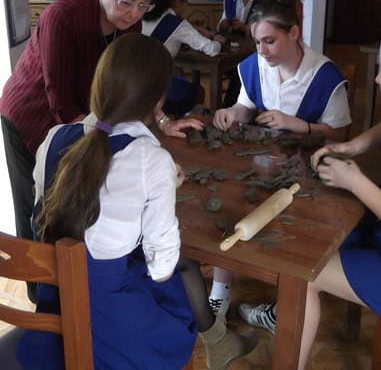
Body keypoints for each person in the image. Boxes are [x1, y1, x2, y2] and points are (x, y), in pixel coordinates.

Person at [18, 34, 257, 370]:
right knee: (178, 278)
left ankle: (220, 343)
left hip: (56, 303)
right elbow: (160, 269)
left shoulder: (54, 137)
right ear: (158, 99)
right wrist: (161, 192)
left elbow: (56, 211)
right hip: (110, 326)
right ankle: (217, 343)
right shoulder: (150, 159)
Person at [249, 14, 381, 368]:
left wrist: (356, 182)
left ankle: (288, 330)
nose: (377, 79)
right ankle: (287, 311)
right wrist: (350, 148)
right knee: (319, 227)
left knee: (304, 272)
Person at [0, 0, 202, 279]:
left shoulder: (130, 22)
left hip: (85, 119)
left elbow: (131, 87)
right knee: (43, 208)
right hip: (33, 116)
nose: (135, 13)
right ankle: (44, 291)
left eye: (145, 5)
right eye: (126, 1)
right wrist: (121, 151)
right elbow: (60, 103)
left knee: (86, 203)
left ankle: (82, 283)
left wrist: (162, 120)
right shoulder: (63, 18)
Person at [210, 0, 352, 319]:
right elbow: (245, 107)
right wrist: (232, 113)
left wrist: (298, 124)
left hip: (306, 169)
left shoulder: (325, 76)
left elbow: (340, 133)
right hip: (258, 159)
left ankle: (284, 301)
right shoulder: (254, 65)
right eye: (257, 42)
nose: (262, 50)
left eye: (270, 41)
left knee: (290, 223)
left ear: (294, 33)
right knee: (224, 200)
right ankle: (220, 288)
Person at [142, 0, 226, 116]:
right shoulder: (178, 24)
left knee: (177, 75)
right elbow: (211, 50)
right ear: (178, 2)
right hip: (152, 89)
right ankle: (191, 124)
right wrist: (219, 41)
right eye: (186, 2)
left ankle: (178, 116)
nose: (187, 7)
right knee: (198, 92)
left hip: (133, 82)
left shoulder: (146, 11)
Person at [217, 0, 266, 107]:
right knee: (227, 68)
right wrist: (224, 24)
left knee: (242, 71)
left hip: (253, 49)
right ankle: (228, 106)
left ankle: (229, 107)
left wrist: (245, 27)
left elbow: (264, 31)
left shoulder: (263, 1)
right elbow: (221, 24)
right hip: (233, 49)